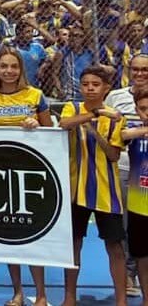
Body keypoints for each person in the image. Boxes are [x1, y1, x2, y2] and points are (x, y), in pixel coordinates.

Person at [0, 47, 53, 306]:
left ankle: (41, 294)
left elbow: (51, 130)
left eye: (14, 66)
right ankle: (18, 292)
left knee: (34, 235)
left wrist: (37, 125)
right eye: (3, 66)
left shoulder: (35, 95)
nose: (9, 71)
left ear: (21, 69)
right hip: (1, 177)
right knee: (11, 235)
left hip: (32, 175)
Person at [58, 66, 128, 306]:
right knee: (73, 244)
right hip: (75, 189)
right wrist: (94, 115)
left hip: (106, 190)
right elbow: (65, 123)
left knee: (115, 246)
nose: (89, 88)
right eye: (85, 83)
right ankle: (69, 296)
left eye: (95, 84)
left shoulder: (117, 117)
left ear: (106, 88)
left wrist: (97, 134)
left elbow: (113, 156)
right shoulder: (73, 108)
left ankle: (121, 300)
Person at [120, 89, 148, 306]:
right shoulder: (133, 129)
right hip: (139, 202)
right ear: (137, 110)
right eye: (143, 109)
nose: (147, 113)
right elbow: (122, 136)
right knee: (141, 255)